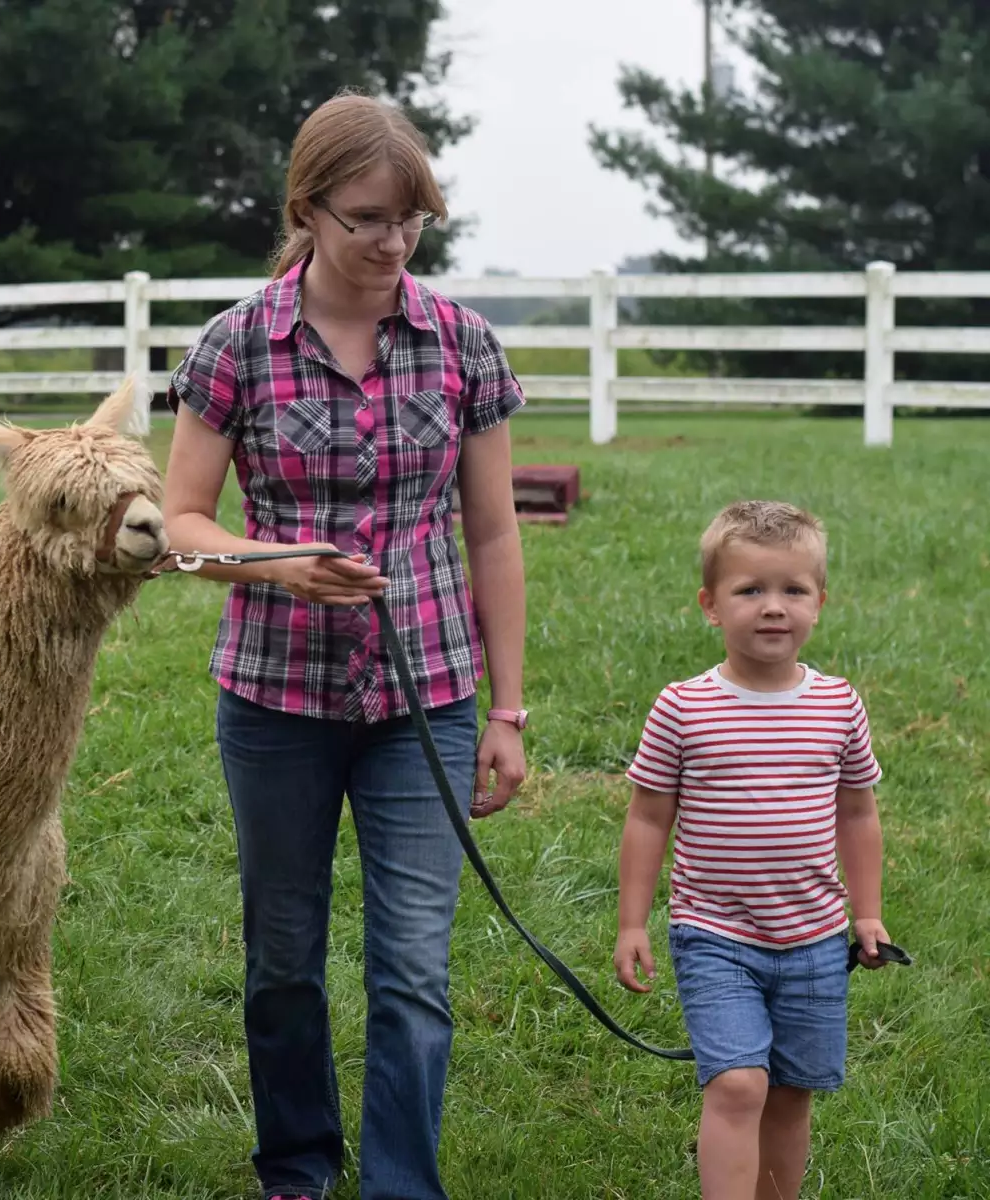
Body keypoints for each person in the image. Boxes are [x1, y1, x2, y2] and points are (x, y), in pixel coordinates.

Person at [160, 91, 530, 1200]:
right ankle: (298, 1170)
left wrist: (508, 711)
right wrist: (276, 565)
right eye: (368, 217)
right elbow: (179, 528)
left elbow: (495, 531)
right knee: (283, 961)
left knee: (414, 969)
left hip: (429, 699)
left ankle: (402, 1187)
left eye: (412, 218)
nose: (392, 242)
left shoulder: (462, 343)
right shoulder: (237, 345)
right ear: (308, 209)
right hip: (273, 704)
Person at [614, 500, 895, 1200]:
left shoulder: (837, 705)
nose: (773, 608)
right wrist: (630, 922)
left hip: (813, 937)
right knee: (739, 1084)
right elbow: (647, 819)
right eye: (750, 591)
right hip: (714, 934)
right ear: (710, 606)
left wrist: (866, 915)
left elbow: (857, 812)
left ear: (819, 604)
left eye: (791, 590)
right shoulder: (682, 706)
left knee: (791, 1092)